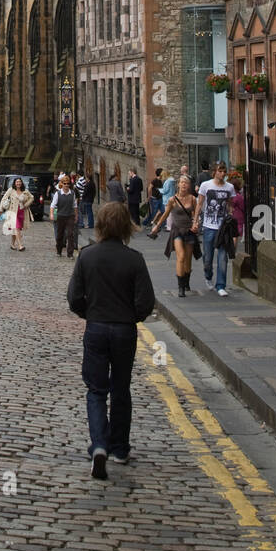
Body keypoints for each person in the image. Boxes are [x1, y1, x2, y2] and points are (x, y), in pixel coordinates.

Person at [67, 201, 155, 479]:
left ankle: (99, 445)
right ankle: (119, 448)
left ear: (102, 225)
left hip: (96, 327)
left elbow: (73, 298)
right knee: (120, 389)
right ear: (126, 227)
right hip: (124, 330)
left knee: (95, 390)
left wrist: (90, 314)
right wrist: (131, 317)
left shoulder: (87, 255)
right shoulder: (135, 258)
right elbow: (146, 302)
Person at [191, 161, 236, 296]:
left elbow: (230, 205)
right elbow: (200, 204)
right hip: (209, 226)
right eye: (220, 171)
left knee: (223, 257)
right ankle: (208, 275)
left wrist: (231, 215)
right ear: (214, 172)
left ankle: (221, 285)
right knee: (208, 257)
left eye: (224, 171)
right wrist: (195, 221)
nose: (222, 174)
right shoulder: (206, 185)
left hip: (223, 228)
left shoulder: (229, 187)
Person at [150, 172, 198, 296]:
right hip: (177, 230)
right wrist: (156, 227)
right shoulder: (172, 200)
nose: (184, 185)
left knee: (188, 259)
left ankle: (186, 281)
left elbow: (196, 215)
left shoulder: (192, 199)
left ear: (189, 186)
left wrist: (196, 223)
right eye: (182, 182)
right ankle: (180, 287)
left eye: (186, 183)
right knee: (180, 257)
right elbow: (165, 214)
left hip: (189, 231)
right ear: (178, 185)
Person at [0, 178, 33, 252]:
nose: (18, 183)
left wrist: (26, 205)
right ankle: (20, 245)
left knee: (16, 229)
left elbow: (32, 197)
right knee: (16, 227)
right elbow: (4, 198)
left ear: (21, 183)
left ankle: (12, 244)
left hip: (22, 212)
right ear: (14, 183)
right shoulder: (11, 190)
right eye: (17, 182)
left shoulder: (25, 191)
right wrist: (1, 209)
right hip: (12, 212)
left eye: (19, 182)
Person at [50, 176, 78, 258]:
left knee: (70, 234)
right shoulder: (58, 194)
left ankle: (70, 253)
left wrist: (76, 216)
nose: (66, 185)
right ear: (62, 184)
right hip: (60, 216)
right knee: (60, 235)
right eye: (64, 183)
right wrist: (52, 214)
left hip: (70, 216)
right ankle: (59, 250)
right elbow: (52, 205)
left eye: (68, 183)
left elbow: (74, 205)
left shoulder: (72, 193)